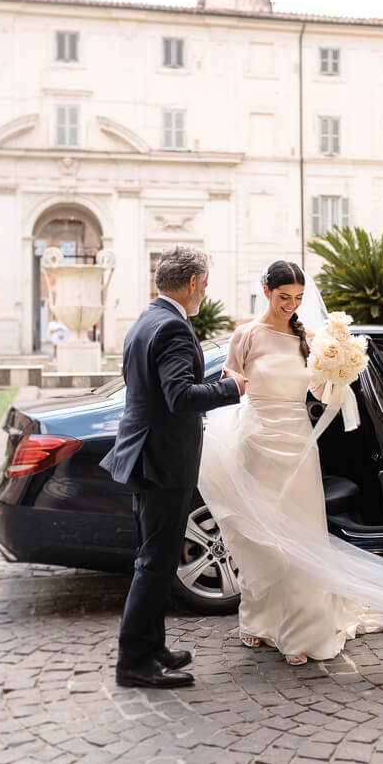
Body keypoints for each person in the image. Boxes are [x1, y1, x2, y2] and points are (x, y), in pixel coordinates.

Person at [199, 260, 383, 667]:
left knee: (302, 540)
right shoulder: (245, 336)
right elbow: (231, 386)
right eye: (284, 297)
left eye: (298, 299)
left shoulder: (311, 340)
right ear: (266, 290)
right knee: (259, 540)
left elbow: (318, 393)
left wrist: (338, 375)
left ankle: (302, 632)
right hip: (256, 441)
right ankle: (259, 622)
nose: (291, 305)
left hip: (298, 444)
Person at [100, 246, 247, 688]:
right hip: (162, 462)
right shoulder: (174, 329)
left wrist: (213, 382)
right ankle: (134, 662)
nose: (205, 290)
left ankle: (153, 646)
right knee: (155, 564)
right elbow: (179, 397)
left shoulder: (146, 322)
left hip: (144, 455)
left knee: (152, 559)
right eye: (204, 283)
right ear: (192, 284)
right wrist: (233, 388)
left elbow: (163, 388)